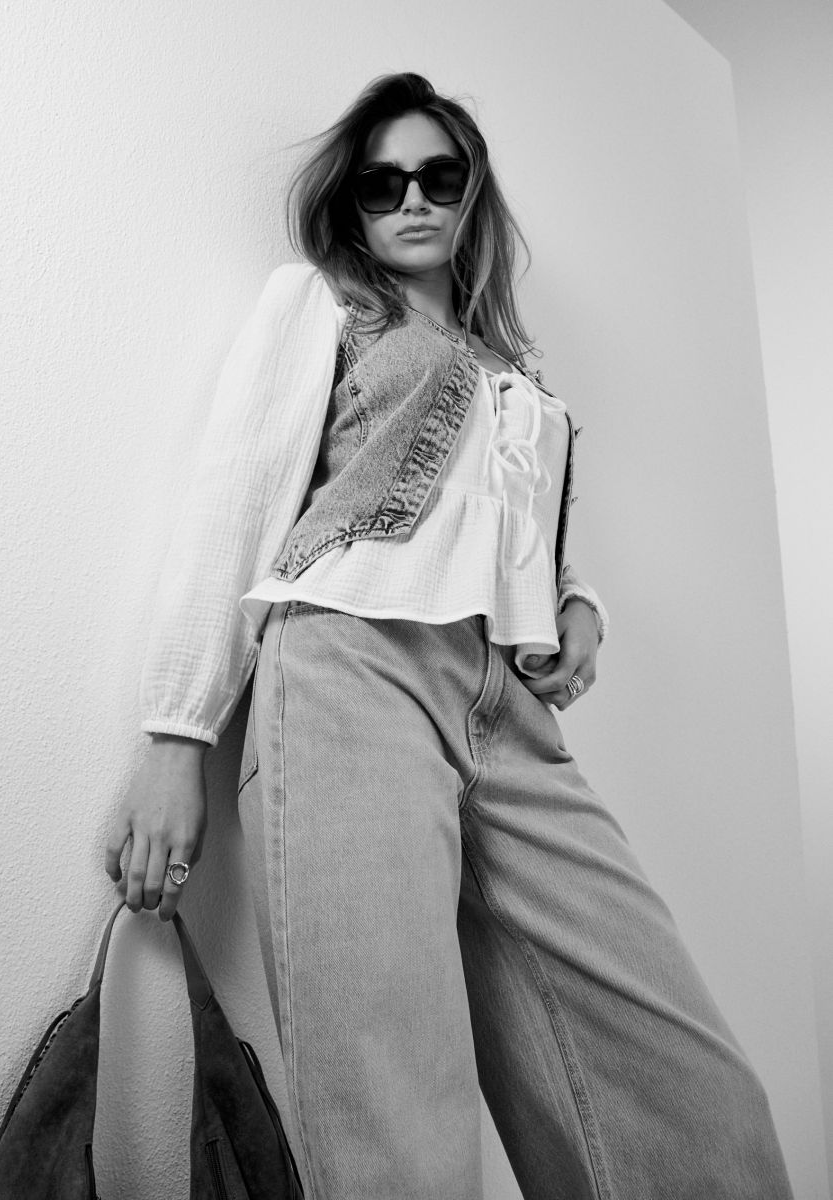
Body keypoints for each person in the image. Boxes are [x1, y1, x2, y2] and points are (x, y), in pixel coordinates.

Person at [104, 73, 793, 1200]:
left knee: (695, 1103)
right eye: (382, 185)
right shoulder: (325, 307)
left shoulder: (515, 376)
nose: (413, 200)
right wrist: (178, 735)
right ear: (353, 205)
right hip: (351, 672)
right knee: (399, 1125)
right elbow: (237, 497)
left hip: (506, 713)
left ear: (472, 192)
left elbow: (509, 534)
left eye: (439, 175)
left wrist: (580, 605)